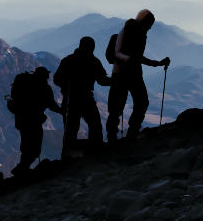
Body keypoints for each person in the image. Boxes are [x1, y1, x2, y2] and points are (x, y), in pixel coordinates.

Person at [106, 10, 170, 142]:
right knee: (141, 102)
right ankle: (132, 132)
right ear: (145, 22)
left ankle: (112, 138)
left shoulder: (127, 30)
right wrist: (157, 64)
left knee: (116, 108)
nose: (150, 27)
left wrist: (156, 63)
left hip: (119, 74)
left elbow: (127, 56)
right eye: (150, 24)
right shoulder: (139, 33)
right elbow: (137, 57)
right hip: (133, 74)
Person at [53, 36, 110, 153]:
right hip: (86, 98)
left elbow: (56, 79)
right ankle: (95, 151)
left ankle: (67, 156)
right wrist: (116, 81)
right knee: (95, 126)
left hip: (70, 99)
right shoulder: (93, 61)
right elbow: (102, 80)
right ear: (92, 48)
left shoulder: (67, 60)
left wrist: (66, 87)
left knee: (70, 130)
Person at [9, 66, 63, 175]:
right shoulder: (44, 88)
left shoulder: (23, 82)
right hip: (34, 121)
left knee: (26, 144)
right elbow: (51, 105)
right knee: (35, 146)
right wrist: (62, 111)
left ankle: (22, 168)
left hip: (21, 120)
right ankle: (22, 168)